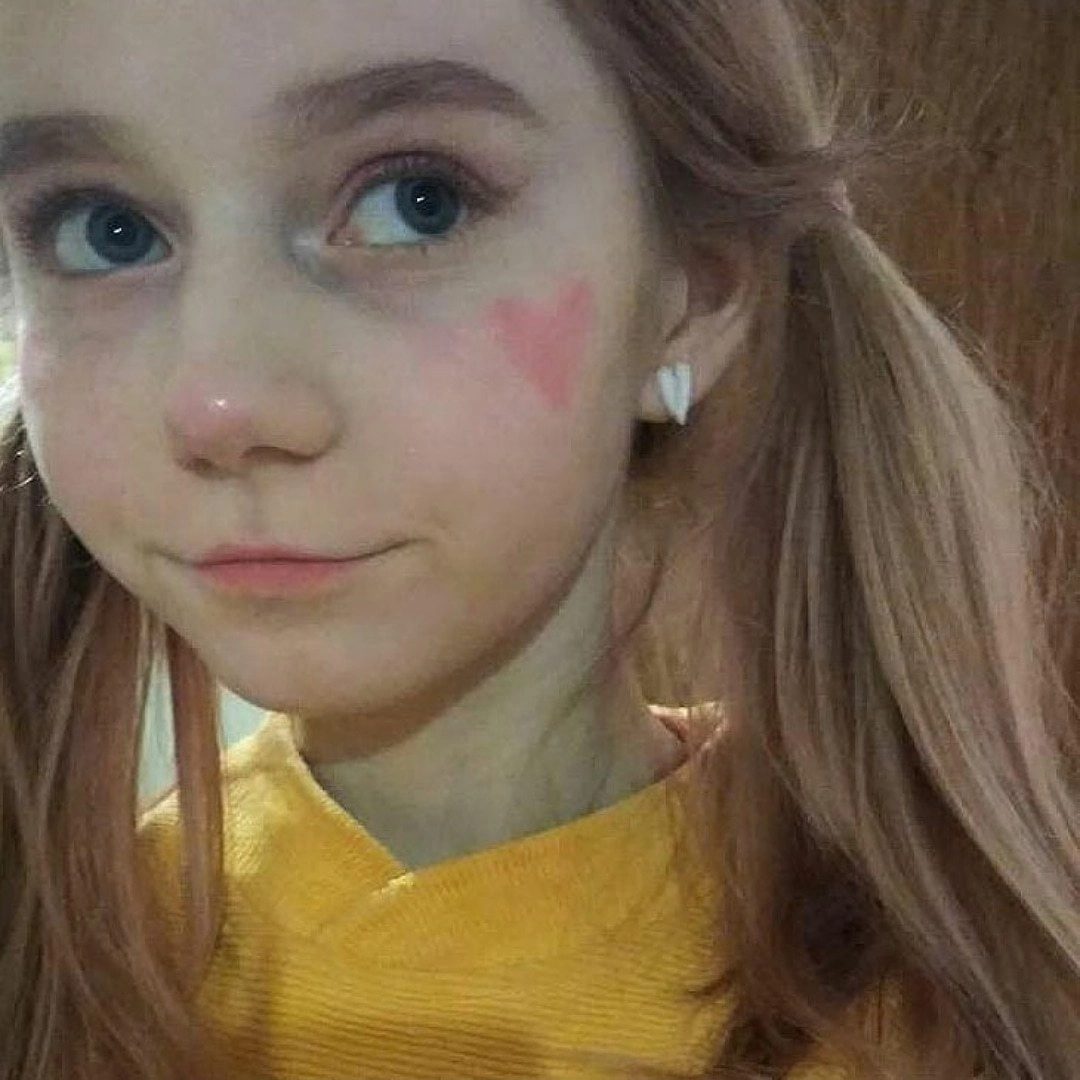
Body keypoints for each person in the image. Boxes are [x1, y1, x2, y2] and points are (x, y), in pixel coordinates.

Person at [0, 1, 1076, 1077]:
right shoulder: (56, 954)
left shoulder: (937, 999)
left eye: (417, 202)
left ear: (688, 301)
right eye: (103, 229)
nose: (220, 405)